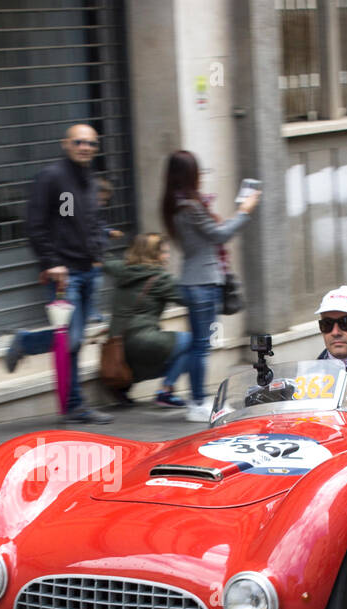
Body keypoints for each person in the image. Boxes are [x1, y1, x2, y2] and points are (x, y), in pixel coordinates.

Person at [3, 123, 112, 424]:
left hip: (89, 271)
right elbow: (34, 225)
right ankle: (26, 343)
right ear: (66, 143)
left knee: (73, 341)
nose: (85, 147)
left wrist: (99, 253)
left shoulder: (89, 179)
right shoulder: (51, 177)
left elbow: (92, 221)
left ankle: (74, 405)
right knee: (71, 339)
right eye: (79, 142)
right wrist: (51, 262)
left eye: (91, 143)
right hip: (65, 275)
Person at [161, 150, 260, 422]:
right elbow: (220, 235)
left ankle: (197, 401)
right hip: (203, 283)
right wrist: (244, 211)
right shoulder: (190, 208)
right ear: (190, 175)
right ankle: (198, 403)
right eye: (198, 171)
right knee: (201, 347)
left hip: (193, 281)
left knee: (197, 345)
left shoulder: (175, 205)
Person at [101, 233, 192, 407]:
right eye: (164, 252)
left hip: (117, 344)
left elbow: (102, 261)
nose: (167, 256)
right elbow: (189, 299)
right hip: (144, 340)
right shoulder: (161, 278)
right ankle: (166, 391)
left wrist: (103, 236)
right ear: (153, 254)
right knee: (196, 344)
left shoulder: (121, 269)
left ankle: (123, 385)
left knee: (160, 351)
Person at [88, 178, 125, 323]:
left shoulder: (94, 212)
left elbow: (97, 228)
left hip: (98, 255)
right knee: (92, 287)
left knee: (95, 287)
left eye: (105, 201)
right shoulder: (74, 205)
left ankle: (91, 312)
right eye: (100, 199)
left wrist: (109, 232)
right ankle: (89, 313)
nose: (102, 204)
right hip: (90, 257)